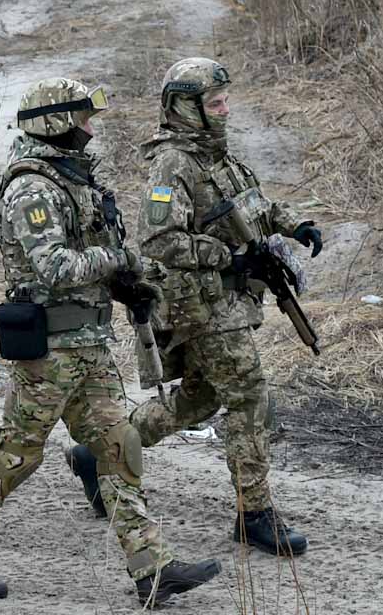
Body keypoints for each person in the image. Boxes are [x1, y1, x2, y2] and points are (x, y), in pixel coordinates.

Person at [0, 78, 219, 604]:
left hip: (89, 346)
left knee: (121, 448)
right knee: (16, 455)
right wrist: (119, 261)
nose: (90, 129)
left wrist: (128, 282)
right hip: (49, 352)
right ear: (54, 122)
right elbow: (54, 266)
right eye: (82, 118)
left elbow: (92, 254)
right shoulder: (32, 188)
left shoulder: (74, 181)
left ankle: (151, 568)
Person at [65, 57, 318, 557]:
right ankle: (255, 515)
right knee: (249, 397)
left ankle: (99, 455)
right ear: (185, 108)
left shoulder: (215, 156)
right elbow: (159, 241)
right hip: (198, 306)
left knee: (201, 398)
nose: (225, 111)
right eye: (214, 104)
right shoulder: (173, 163)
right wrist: (229, 255)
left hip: (227, 300)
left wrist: (294, 224)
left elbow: (253, 205)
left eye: (225, 101)